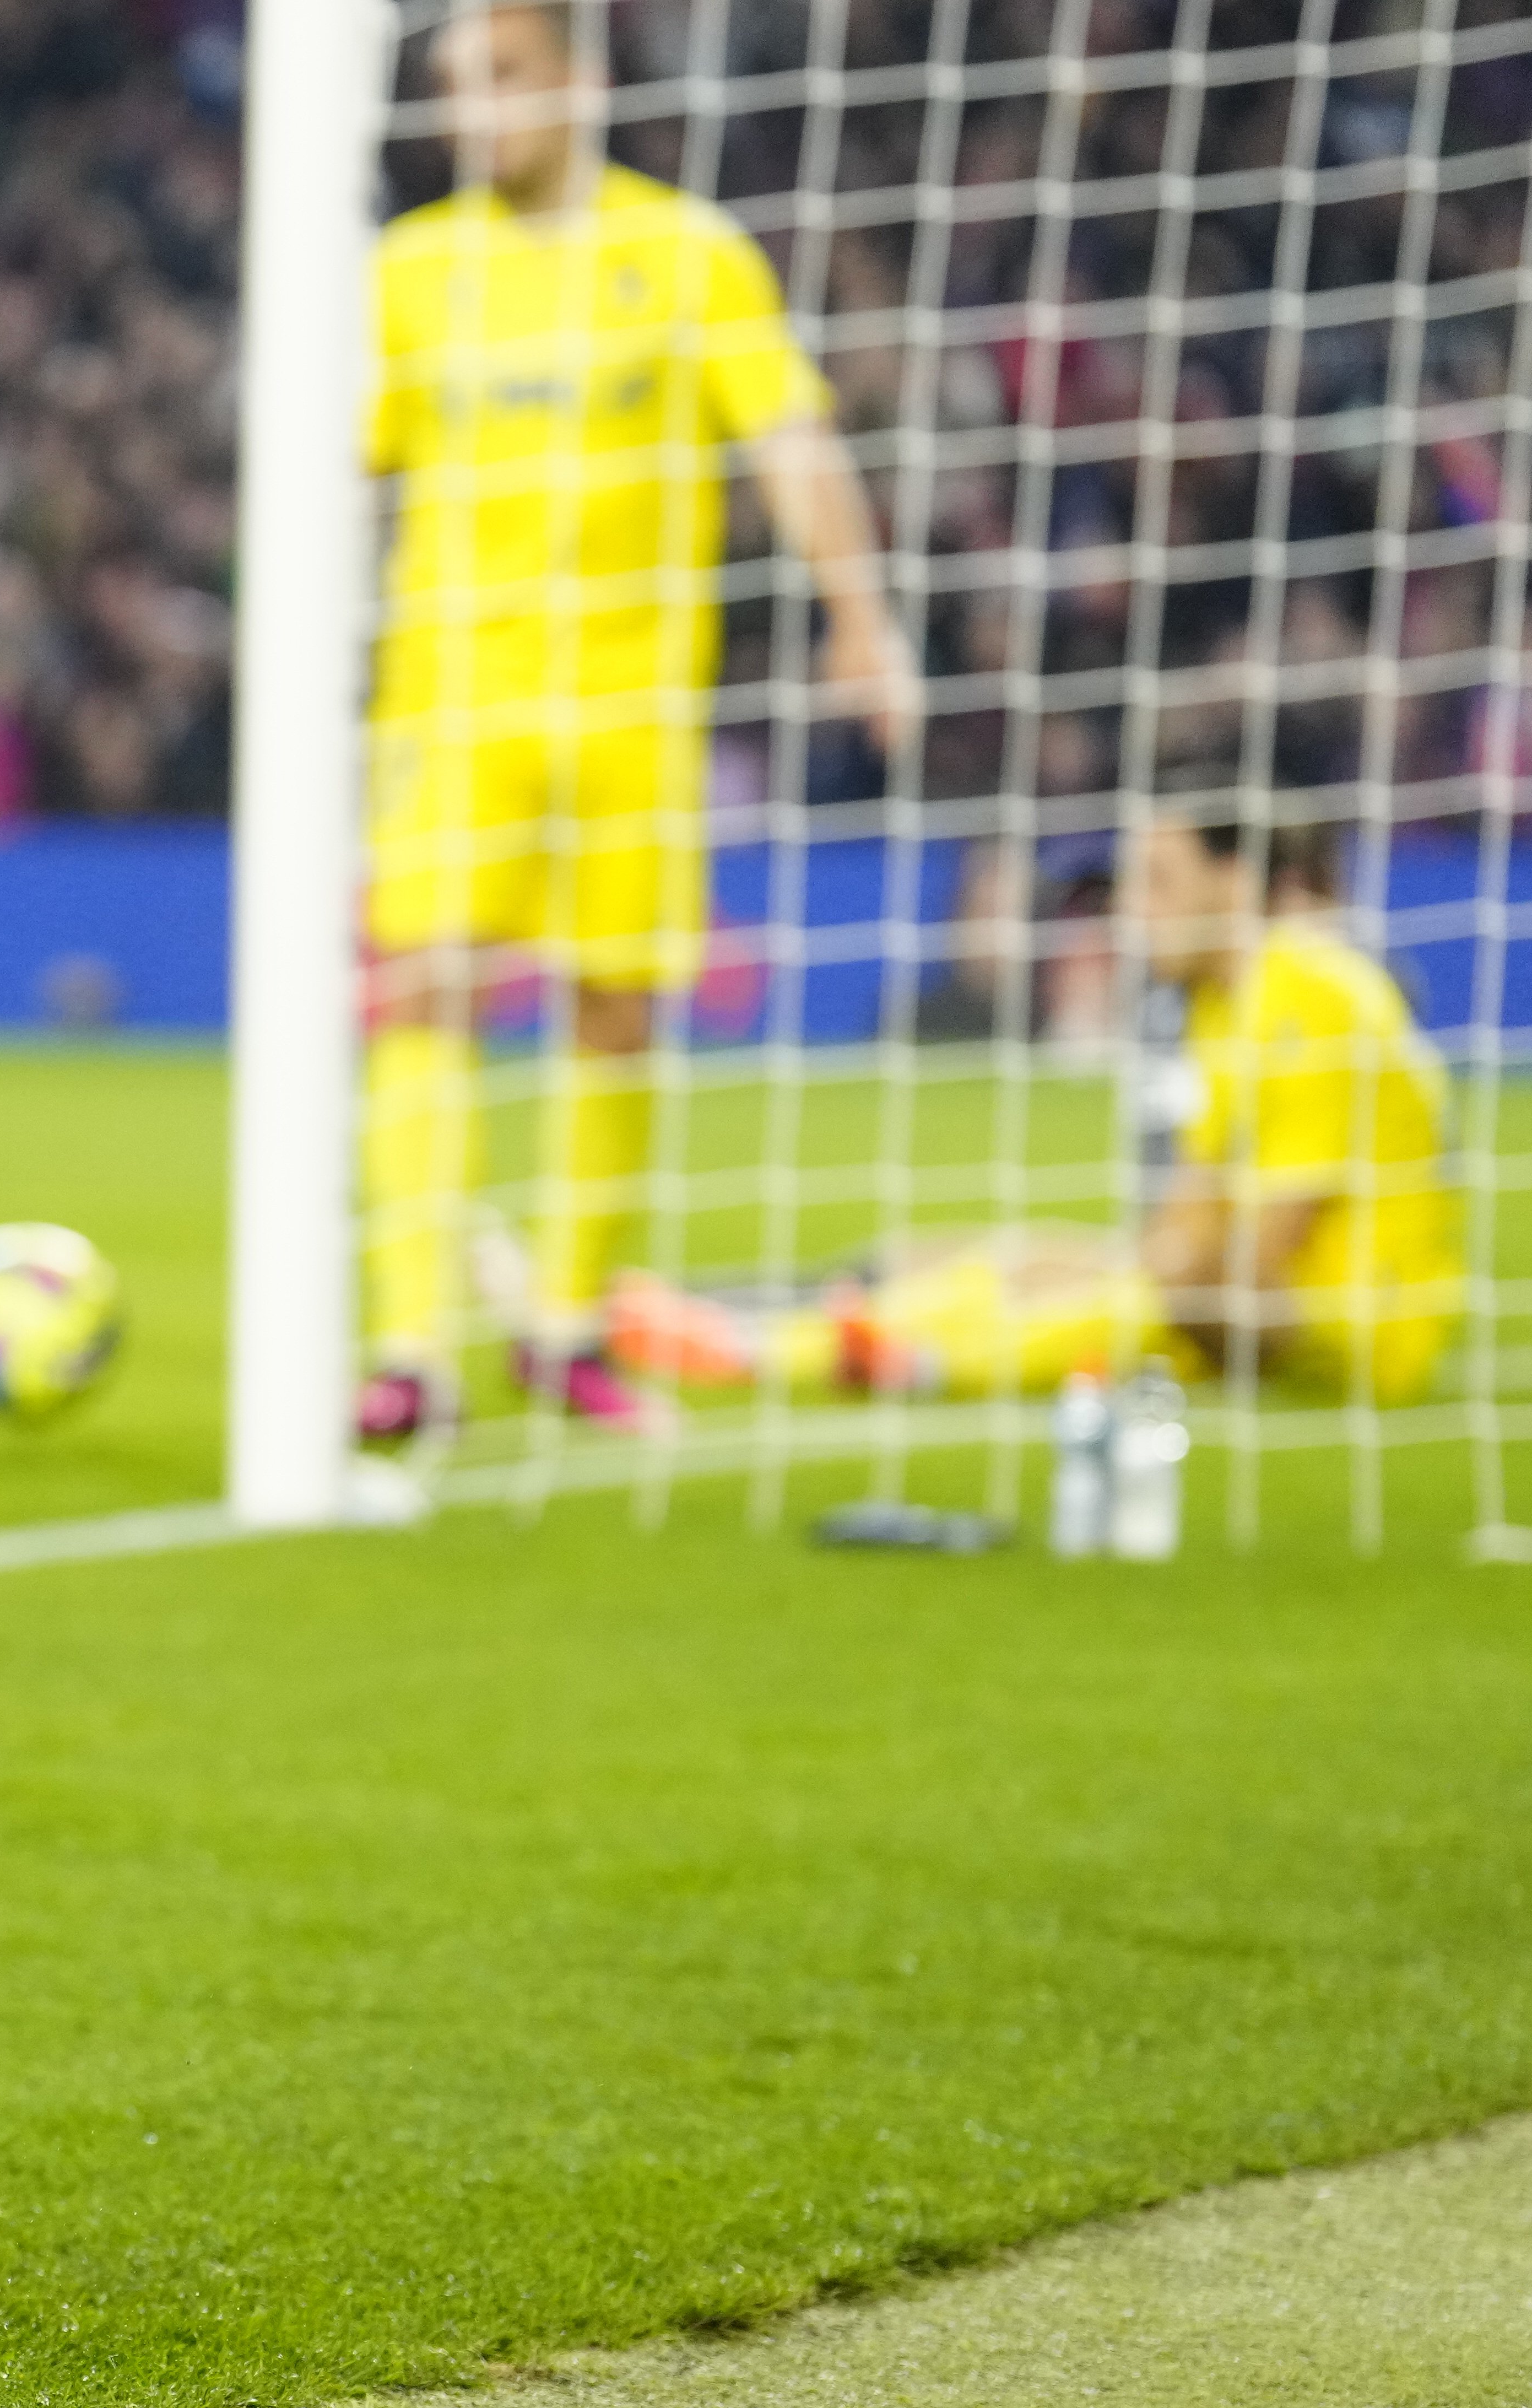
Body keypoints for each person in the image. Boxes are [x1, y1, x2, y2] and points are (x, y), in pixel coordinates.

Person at [356, 0, 919, 1445]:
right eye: (454, 84)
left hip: (630, 711)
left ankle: (565, 1324)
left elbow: (787, 433)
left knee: (615, 1011)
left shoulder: (685, 254)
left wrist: (860, 611)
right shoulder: (408, 274)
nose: (474, 108)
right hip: (454, 700)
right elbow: (330, 468)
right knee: (423, 992)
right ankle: (413, 1344)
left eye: (502, 76)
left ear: (581, 83)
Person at [612, 789, 1460, 1405]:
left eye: (1158, 884)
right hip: (1260, 1296)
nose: (1131, 913)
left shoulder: (1310, 996)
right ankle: (777, 1338)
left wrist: (1144, 1267)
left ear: (1236, 884)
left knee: (1153, 1284)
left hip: (1357, 1335)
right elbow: (1194, 1205)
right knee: (1036, 1258)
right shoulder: (1220, 1004)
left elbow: (1263, 1246)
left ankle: (866, 1356)